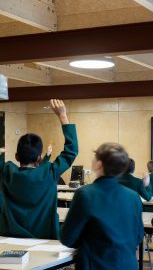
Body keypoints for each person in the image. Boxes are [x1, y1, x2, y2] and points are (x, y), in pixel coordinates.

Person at [0, 99, 78, 239]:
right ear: (39, 158)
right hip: (45, 239)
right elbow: (71, 151)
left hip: (9, 239)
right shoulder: (49, 171)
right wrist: (63, 116)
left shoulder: (6, 172)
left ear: (16, 156)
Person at [60, 142, 144, 270]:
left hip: (95, 265)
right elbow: (138, 236)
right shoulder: (134, 197)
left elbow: (68, 238)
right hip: (128, 265)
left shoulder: (85, 194)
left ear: (99, 164)